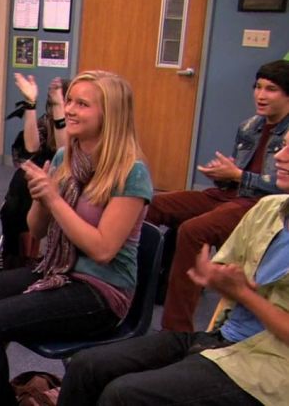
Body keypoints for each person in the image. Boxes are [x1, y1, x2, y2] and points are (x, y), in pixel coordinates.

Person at [0, 71, 153, 405]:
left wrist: (54, 199)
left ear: (109, 114)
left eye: (83, 104)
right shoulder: (64, 156)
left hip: (101, 290)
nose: (69, 109)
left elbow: (102, 249)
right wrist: (41, 198)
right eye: (70, 101)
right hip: (57, 270)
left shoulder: (131, 172)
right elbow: (37, 231)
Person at [58, 129, 289, 406]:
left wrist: (243, 293)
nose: (280, 156)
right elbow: (227, 268)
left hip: (272, 367)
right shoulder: (268, 209)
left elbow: (243, 292)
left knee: (124, 395)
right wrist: (216, 276)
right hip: (222, 338)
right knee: (86, 367)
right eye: (283, 146)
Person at [151, 59, 289, 332]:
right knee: (151, 205)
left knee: (193, 230)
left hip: (259, 204)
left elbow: (280, 188)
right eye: (258, 87)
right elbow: (238, 174)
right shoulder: (250, 126)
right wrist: (223, 174)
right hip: (230, 194)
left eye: (270, 89)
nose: (260, 95)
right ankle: (133, 292)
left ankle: (175, 331)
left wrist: (238, 175)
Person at [0, 74, 68, 268]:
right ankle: (17, 254)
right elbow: (31, 147)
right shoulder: (47, 119)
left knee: (28, 186)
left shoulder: (75, 123)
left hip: (65, 176)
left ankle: (26, 255)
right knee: (20, 184)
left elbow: (66, 154)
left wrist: (59, 111)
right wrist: (30, 103)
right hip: (40, 172)